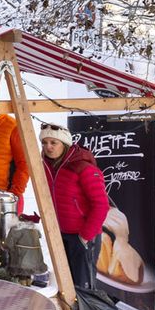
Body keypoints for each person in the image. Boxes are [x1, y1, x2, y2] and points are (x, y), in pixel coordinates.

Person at [41, 124, 110, 291]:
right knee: (64, 285)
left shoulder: (83, 167)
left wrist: (85, 237)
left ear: (64, 144)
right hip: (61, 234)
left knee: (83, 288)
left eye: (53, 142)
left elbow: (101, 205)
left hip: (82, 237)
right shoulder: (47, 166)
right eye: (44, 142)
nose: (48, 147)